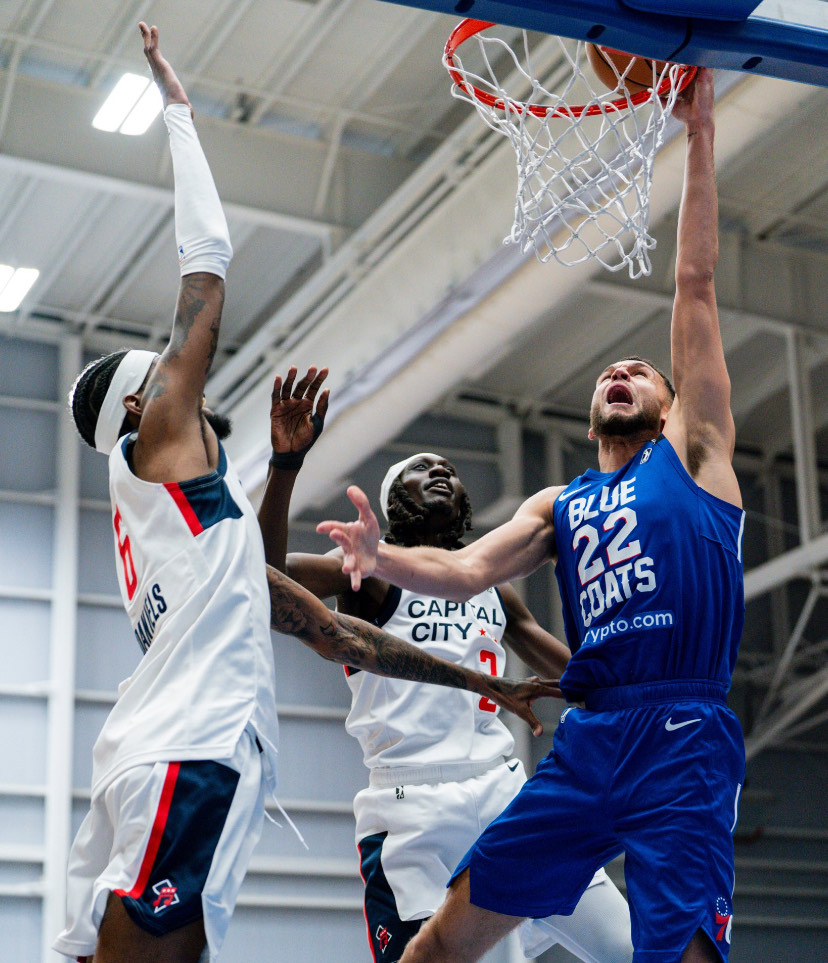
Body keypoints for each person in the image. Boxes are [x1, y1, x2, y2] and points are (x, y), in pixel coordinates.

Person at [55, 25, 555, 963]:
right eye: (167, 376)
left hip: (146, 756)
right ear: (138, 400)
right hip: (195, 753)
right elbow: (207, 260)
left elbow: (343, 635)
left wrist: (489, 683)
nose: (185, 381)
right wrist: (178, 110)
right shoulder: (154, 435)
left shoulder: (188, 541)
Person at [318, 69, 746, 963]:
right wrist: (383, 556)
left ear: (672, 406)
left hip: (682, 732)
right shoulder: (561, 504)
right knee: (440, 942)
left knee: (681, 954)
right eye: (607, 373)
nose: (617, 373)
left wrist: (699, 133)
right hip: (589, 742)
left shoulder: (697, 455)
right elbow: (469, 570)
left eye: (639, 369)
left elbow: (697, 284)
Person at [258, 366, 633, 963]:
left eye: (450, 472)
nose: (440, 472)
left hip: (503, 790)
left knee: (633, 948)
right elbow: (265, 579)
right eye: (421, 469)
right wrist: (285, 467)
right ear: (391, 504)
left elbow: (584, 677)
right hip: (412, 805)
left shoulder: (495, 594)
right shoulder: (369, 573)